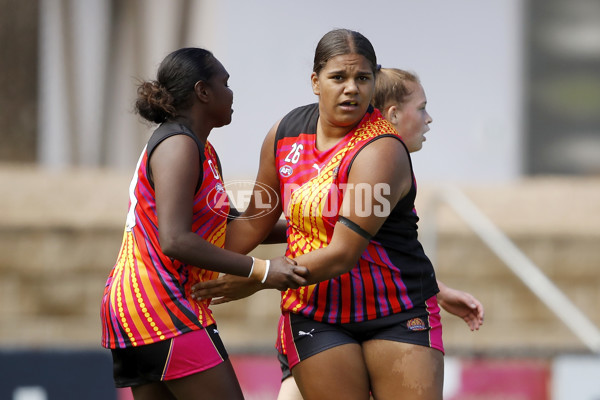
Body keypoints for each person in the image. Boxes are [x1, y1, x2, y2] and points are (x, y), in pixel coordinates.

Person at [193, 29, 473, 399]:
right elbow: (253, 224)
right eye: (338, 77)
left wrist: (257, 277)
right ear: (315, 81)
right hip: (315, 312)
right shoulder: (283, 134)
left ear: (374, 83)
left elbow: (343, 252)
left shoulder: (381, 150)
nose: (352, 88)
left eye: (363, 78)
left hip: (396, 311)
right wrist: (185, 251)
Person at [99, 47, 308, 400]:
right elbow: (175, 240)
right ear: (202, 91)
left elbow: (230, 226)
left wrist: (309, 226)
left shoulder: (202, 150)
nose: (232, 92)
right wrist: (262, 271)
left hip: (141, 307)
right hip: (158, 305)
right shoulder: (178, 145)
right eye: (225, 83)